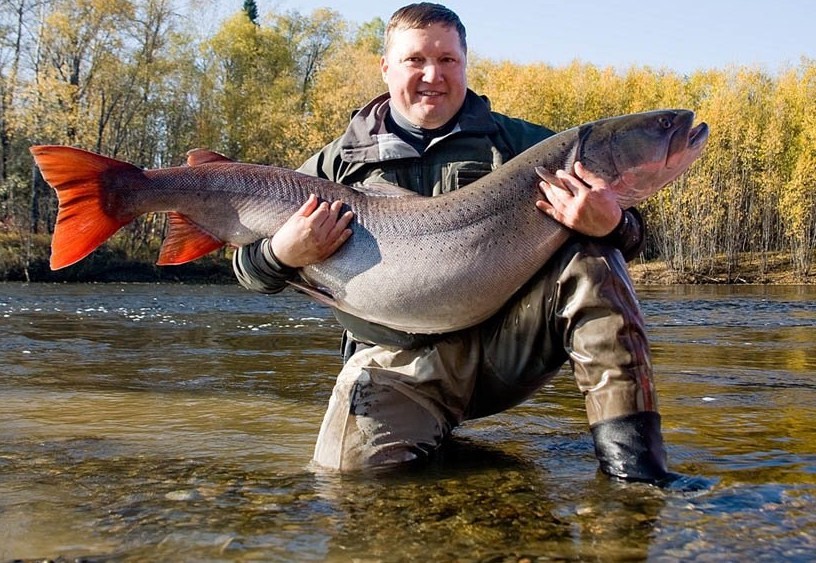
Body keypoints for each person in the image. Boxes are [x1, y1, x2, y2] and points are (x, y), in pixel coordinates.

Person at [234, 2, 671, 483]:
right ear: (386, 67)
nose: (432, 75)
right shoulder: (335, 166)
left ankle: (637, 475)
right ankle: (431, 434)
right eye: (415, 60)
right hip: (397, 366)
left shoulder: (530, 149)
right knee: (350, 486)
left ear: (464, 64)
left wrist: (611, 225)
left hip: (505, 350)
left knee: (591, 252)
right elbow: (247, 272)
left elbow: (629, 244)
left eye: (447, 60)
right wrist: (280, 254)